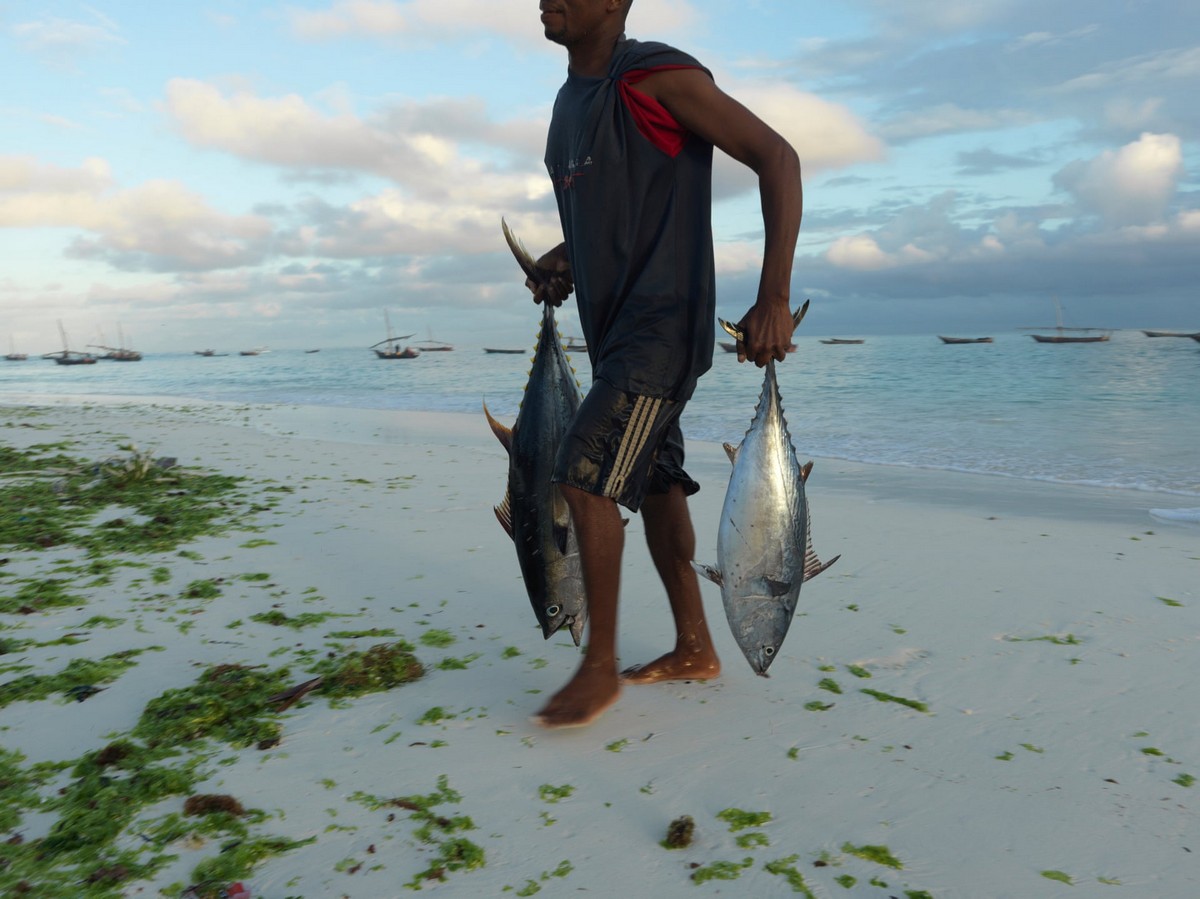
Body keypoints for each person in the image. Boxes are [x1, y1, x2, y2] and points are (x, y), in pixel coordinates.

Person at [527, 0, 803, 728]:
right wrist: (565, 261)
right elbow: (606, 222)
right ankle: (694, 646)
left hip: (662, 325)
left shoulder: (652, 76)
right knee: (654, 481)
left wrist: (773, 294)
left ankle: (598, 667)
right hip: (615, 330)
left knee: (585, 472)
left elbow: (778, 157)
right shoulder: (566, 107)